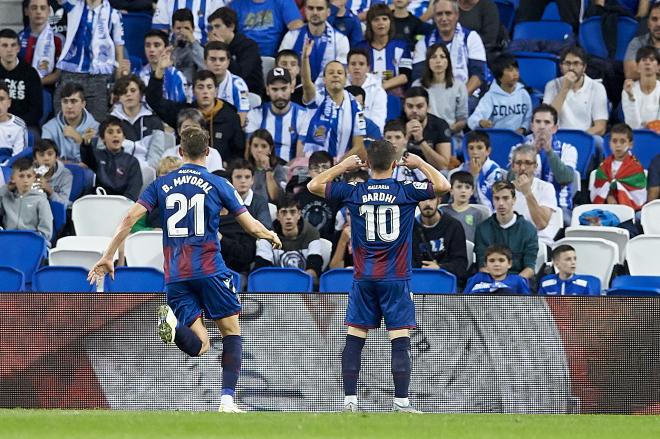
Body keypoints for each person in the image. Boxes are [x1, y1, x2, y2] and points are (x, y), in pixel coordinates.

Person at [87, 126, 282, 413]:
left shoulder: (161, 183)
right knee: (231, 332)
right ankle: (227, 400)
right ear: (207, 152)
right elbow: (251, 225)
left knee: (200, 344)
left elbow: (128, 218)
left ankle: (173, 325)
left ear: (179, 152)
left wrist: (108, 255)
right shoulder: (219, 184)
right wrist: (270, 235)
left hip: (176, 274)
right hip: (210, 269)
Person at [307, 140, 451, 412]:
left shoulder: (355, 191)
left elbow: (313, 186)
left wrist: (342, 166)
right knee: (399, 337)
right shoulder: (405, 191)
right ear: (395, 164)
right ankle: (401, 402)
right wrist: (420, 164)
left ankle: (350, 401)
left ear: (368, 165)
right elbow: (443, 186)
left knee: (355, 336)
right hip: (395, 277)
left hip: (363, 276)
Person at [146, 55, 244, 164]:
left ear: (216, 91)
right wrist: (159, 71)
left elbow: (238, 151)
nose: (205, 91)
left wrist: (228, 166)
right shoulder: (183, 113)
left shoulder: (230, 116)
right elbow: (154, 101)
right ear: (193, 92)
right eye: (200, 87)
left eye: (209, 87)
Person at [54, 0, 126, 123]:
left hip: (100, 77)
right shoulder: (73, 6)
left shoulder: (113, 14)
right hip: (72, 72)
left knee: (97, 126)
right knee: (64, 123)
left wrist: (118, 87)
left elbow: (119, 48)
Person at [301, 39, 366, 160]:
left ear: (346, 78)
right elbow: (306, 84)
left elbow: (358, 145)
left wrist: (338, 165)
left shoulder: (355, 106)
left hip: (340, 166)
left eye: (339, 73)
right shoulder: (317, 98)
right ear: (324, 79)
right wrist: (305, 59)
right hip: (314, 165)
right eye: (331, 73)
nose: (335, 75)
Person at [413, 0, 487, 101]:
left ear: (457, 15)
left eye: (448, 13)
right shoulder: (423, 44)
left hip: (466, 96)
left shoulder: (471, 37)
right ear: (434, 17)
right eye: (439, 14)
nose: (444, 18)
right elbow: (418, 77)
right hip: (433, 99)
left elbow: (478, 75)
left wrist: (459, 98)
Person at [517, 104, 577, 224]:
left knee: (565, 221)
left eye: (547, 122)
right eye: (538, 122)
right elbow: (511, 179)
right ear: (532, 126)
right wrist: (532, 153)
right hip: (525, 204)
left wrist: (549, 152)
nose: (542, 127)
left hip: (559, 208)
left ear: (555, 128)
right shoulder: (518, 149)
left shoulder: (568, 149)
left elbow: (565, 178)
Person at [253, 193, 324, 285]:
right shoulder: (267, 236)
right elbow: (261, 270)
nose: (288, 217)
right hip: (275, 287)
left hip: (304, 289)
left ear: (299, 214)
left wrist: (294, 284)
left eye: (293, 212)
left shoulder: (311, 233)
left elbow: (314, 269)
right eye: (284, 212)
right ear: (277, 216)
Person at [474, 181, 538, 280]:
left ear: (514, 200)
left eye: (505, 198)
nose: (501, 203)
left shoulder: (528, 229)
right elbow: (483, 266)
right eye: (497, 198)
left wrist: (511, 283)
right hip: (490, 280)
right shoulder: (482, 229)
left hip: (519, 280)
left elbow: (529, 268)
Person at [543, 46, 608, 140]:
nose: (571, 68)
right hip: (557, 136)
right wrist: (565, 88)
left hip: (585, 137)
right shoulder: (551, 86)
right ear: (561, 67)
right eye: (567, 63)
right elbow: (547, 119)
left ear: (584, 67)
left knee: (599, 141)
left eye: (576, 63)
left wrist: (578, 139)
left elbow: (600, 128)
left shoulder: (597, 87)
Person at [246, 67, 309, 162]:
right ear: (267, 90)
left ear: (292, 88)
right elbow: (250, 154)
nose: (279, 95)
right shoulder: (255, 114)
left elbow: (300, 159)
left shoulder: (303, 115)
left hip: (291, 171)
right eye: (274, 89)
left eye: (284, 89)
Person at [279, 0, 350, 83]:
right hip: (296, 89)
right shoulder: (291, 36)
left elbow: (341, 73)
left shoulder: (340, 40)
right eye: (310, 8)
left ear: (328, 12)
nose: (315, 12)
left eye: (319, 9)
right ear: (305, 11)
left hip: (328, 90)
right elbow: (281, 67)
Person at [110, 75, 170, 169]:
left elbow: (156, 155)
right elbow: (104, 153)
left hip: (147, 173)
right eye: (123, 92)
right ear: (119, 97)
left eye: (133, 90)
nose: (128, 94)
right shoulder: (110, 121)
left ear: (141, 94)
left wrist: (143, 172)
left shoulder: (154, 121)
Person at [80, 116, 143, 201]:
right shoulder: (97, 155)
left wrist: (123, 204)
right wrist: (86, 143)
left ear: (123, 137)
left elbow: (133, 190)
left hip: (123, 205)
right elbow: (86, 157)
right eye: (110, 132)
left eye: (119, 132)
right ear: (102, 139)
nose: (115, 135)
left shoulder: (132, 162)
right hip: (99, 202)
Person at [508, 144, 560, 246]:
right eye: (518, 163)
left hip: (539, 243)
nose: (522, 168)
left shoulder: (546, 188)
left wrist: (527, 193)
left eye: (528, 163)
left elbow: (541, 224)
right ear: (513, 166)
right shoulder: (506, 189)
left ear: (535, 166)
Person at [206, 7, 264, 97]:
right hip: (219, 94)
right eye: (211, 28)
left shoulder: (249, 46)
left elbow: (240, 74)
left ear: (231, 27)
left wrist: (223, 49)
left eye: (217, 26)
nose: (213, 32)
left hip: (248, 94)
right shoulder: (212, 48)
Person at [412, 43, 468, 137]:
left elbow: (462, 119)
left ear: (448, 61)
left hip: (450, 135)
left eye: (442, 57)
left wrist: (447, 131)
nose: (438, 61)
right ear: (428, 61)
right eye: (433, 57)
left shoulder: (459, 86)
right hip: (424, 134)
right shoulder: (417, 85)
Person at [467, 54, 532, 134]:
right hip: (495, 138)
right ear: (499, 75)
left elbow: (529, 118)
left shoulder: (523, 94)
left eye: (517, 70)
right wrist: (481, 122)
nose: (515, 74)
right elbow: (472, 120)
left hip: (518, 138)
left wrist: (523, 129)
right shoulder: (490, 96)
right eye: (510, 70)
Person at [356, 4, 412, 95]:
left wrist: (380, 88)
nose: (381, 23)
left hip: (393, 98)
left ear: (390, 22)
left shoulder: (401, 46)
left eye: (384, 19)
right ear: (369, 24)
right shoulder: (360, 48)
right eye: (376, 20)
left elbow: (405, 76)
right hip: (366, 96)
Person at [590, 123, 647, 211]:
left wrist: (617, 191)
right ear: (609, 144)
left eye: (622, 141)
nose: (618, 145)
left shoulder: (636, 168)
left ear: (630, 144)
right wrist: (609, 196)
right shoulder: (604, 166)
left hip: (630, 212)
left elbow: (639, 197)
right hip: (605, 209)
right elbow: (597, 191)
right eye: (614, 141)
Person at [412, 193, 468, 282]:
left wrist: (439, 268)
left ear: (439, 200)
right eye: (423, 199)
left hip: (447, 281)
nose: (427, 204)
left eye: (432, 199)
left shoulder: (454, 226)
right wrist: (422, 270)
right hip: (418, 280)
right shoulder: (410, 228)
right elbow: (404, 263)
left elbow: (461, 265)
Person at [42, 81, 98, 163]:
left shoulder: (96, 128)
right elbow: (46, 161)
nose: (69, 106)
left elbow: (99, 162)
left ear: (83, 104)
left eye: (74, 101)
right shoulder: (48, 128)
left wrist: (80, 141)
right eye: (65, 101)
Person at [0, 157, 53, 242]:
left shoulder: (41, 200)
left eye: (29, 176)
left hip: (32, 242)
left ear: (34, 178)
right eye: (21, 176)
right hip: (9, 240)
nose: (25, 180)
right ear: (13, 178)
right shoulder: (6, 196)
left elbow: (46, 232)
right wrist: (5, 188)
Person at [0, 28, 43, 130]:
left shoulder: (30, 73)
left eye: (13, 45)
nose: (9, 50)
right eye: (5, 45)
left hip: (24, 125)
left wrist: (14, 124)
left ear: (18, 48)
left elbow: (36, 111)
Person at [401, 87, 452, 170]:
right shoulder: (397, 124)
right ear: (404, 107)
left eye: (419, 106)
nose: (414, 110)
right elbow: (390, 161)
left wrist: (421, 141)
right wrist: (405, 137)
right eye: (410, 106)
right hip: (404, 171)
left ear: (428, 107)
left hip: (431, 172)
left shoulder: (440, 125)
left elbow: (443, 166)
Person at [231, 0, 304, 58]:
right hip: (244, 56)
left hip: (274, 57)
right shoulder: (235, 4)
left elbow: (297, 27)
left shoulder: (283, 1)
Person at [160, 108, 224, 173]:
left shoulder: (213, 154)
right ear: (179, 131)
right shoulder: (169, 154)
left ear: (202, 130)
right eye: (186, 127)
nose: (190, 131)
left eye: (195, 127)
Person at [204, 41, 251, 127]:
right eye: (213, 59)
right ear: (205, 61)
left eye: (222, 59)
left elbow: (241, 118)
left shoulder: (239, 85)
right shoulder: (198, 83)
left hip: (229, 132)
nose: (217, 63)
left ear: (228, 62)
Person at [293, 150, 338, 240]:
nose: (320, 171)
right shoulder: (300, 196)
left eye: (325, 167)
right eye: (315, 168)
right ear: (309, 171)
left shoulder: (340, 197)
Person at [19, 0, 63, 87]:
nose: (38, 12)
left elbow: (59, 74)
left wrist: (36, 83)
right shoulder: (18, 38)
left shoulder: (58, 40)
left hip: (46, 88)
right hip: (21, 87)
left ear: (49, 11)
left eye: (43, 8)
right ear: (26, 11)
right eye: (34, 8)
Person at [139, 30, 189, 104]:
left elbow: (179, 105)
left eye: (156, 45)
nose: (151, 50)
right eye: (148, 45)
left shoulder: (176, 76)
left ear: (167, 49)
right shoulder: (138, 76)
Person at [458, 131, 503, 211]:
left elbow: (489, 202)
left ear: (488, 151)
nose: (475, 152)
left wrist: (476, 176)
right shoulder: (462, 168)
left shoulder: (493, 170)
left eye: (479, 148)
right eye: (471, 148)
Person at [345, 48, 387, 132]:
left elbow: (378, 122)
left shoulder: (378, 91)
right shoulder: (341, 88)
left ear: (368, 68)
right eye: (353, 64)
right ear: (347, 68)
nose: (357, 67)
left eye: (361, 64)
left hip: (369, 134)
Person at [464, 244, 531, 294]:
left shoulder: (518, 281)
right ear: (485, 264)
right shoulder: (477, 278)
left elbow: (527, 305)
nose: (496, 264)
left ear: (509, 264)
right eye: (492, 261)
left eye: (501, 260)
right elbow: (463, 300)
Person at [441, 170, 487, 242]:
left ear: (472, 191)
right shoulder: (443, 211)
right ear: (451, 190)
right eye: (459, 187)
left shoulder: (477, 214)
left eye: (467, 187)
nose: (463, 191)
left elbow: (480, 239)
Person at [152, 0, 226, 44]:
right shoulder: (165, 1)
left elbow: (219, 33)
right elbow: (160, 34)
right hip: (175, 51)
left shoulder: (214, 1)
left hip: (204, 51)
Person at [622, 46, 660, 130]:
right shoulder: (628, 90)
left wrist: (649, 126)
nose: (647, 63)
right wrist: (631, 97)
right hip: (637, 137)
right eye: (644, 60)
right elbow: (632, 126)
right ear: (637, 67)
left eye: (652, 60)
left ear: (658, 67)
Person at [246, 129, 287, 202]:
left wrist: (268, 169)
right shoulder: (244, 168)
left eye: (264, 146)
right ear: (250, 148)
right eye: (255, 146)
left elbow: (275, 197)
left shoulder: (278, 169)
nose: (259, 150)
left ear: (270, 149)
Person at [168, 9, 206, 86]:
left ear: (193, 29)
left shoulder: (199, 49)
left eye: (186, 28)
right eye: (178, 28)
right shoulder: (167, 48)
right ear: (172, 29)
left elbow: (205, 67)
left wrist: (192, 41)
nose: (183, 32)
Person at [623, 2, 660, 80]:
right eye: (654, 19)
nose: (658, 24)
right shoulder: (637, 43)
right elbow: (630, 74)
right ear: (648, 23)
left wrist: (644, 72)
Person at [32, 138, 73, 207]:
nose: (46, 158)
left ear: (56, 157)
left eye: (50, 154)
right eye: (41, 155)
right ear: (35, 159)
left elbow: (64, 204)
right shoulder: (29, 173)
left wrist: (50, 191)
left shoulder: (66, 175)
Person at [0, 82, 28, 161]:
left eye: (1, 99)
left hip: (9, 169)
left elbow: (19, 159)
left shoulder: (19, 125)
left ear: (9, 102)